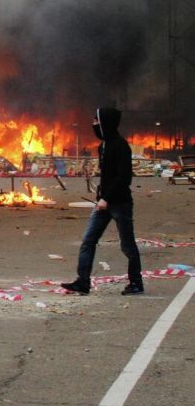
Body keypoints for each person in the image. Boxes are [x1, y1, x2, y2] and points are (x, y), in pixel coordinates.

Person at [62, 108, 144, 296]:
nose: (94, 125)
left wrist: (107, 198)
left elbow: (124, 177)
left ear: (105, 122)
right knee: (88, 240)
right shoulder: (103, 146)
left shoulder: (121, 145)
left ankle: (136, 283)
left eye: (96, 121)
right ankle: (83, 282)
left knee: (127, 244)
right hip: (103, 203)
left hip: (120, 204)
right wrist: (101, 194)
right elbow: (107, 176)